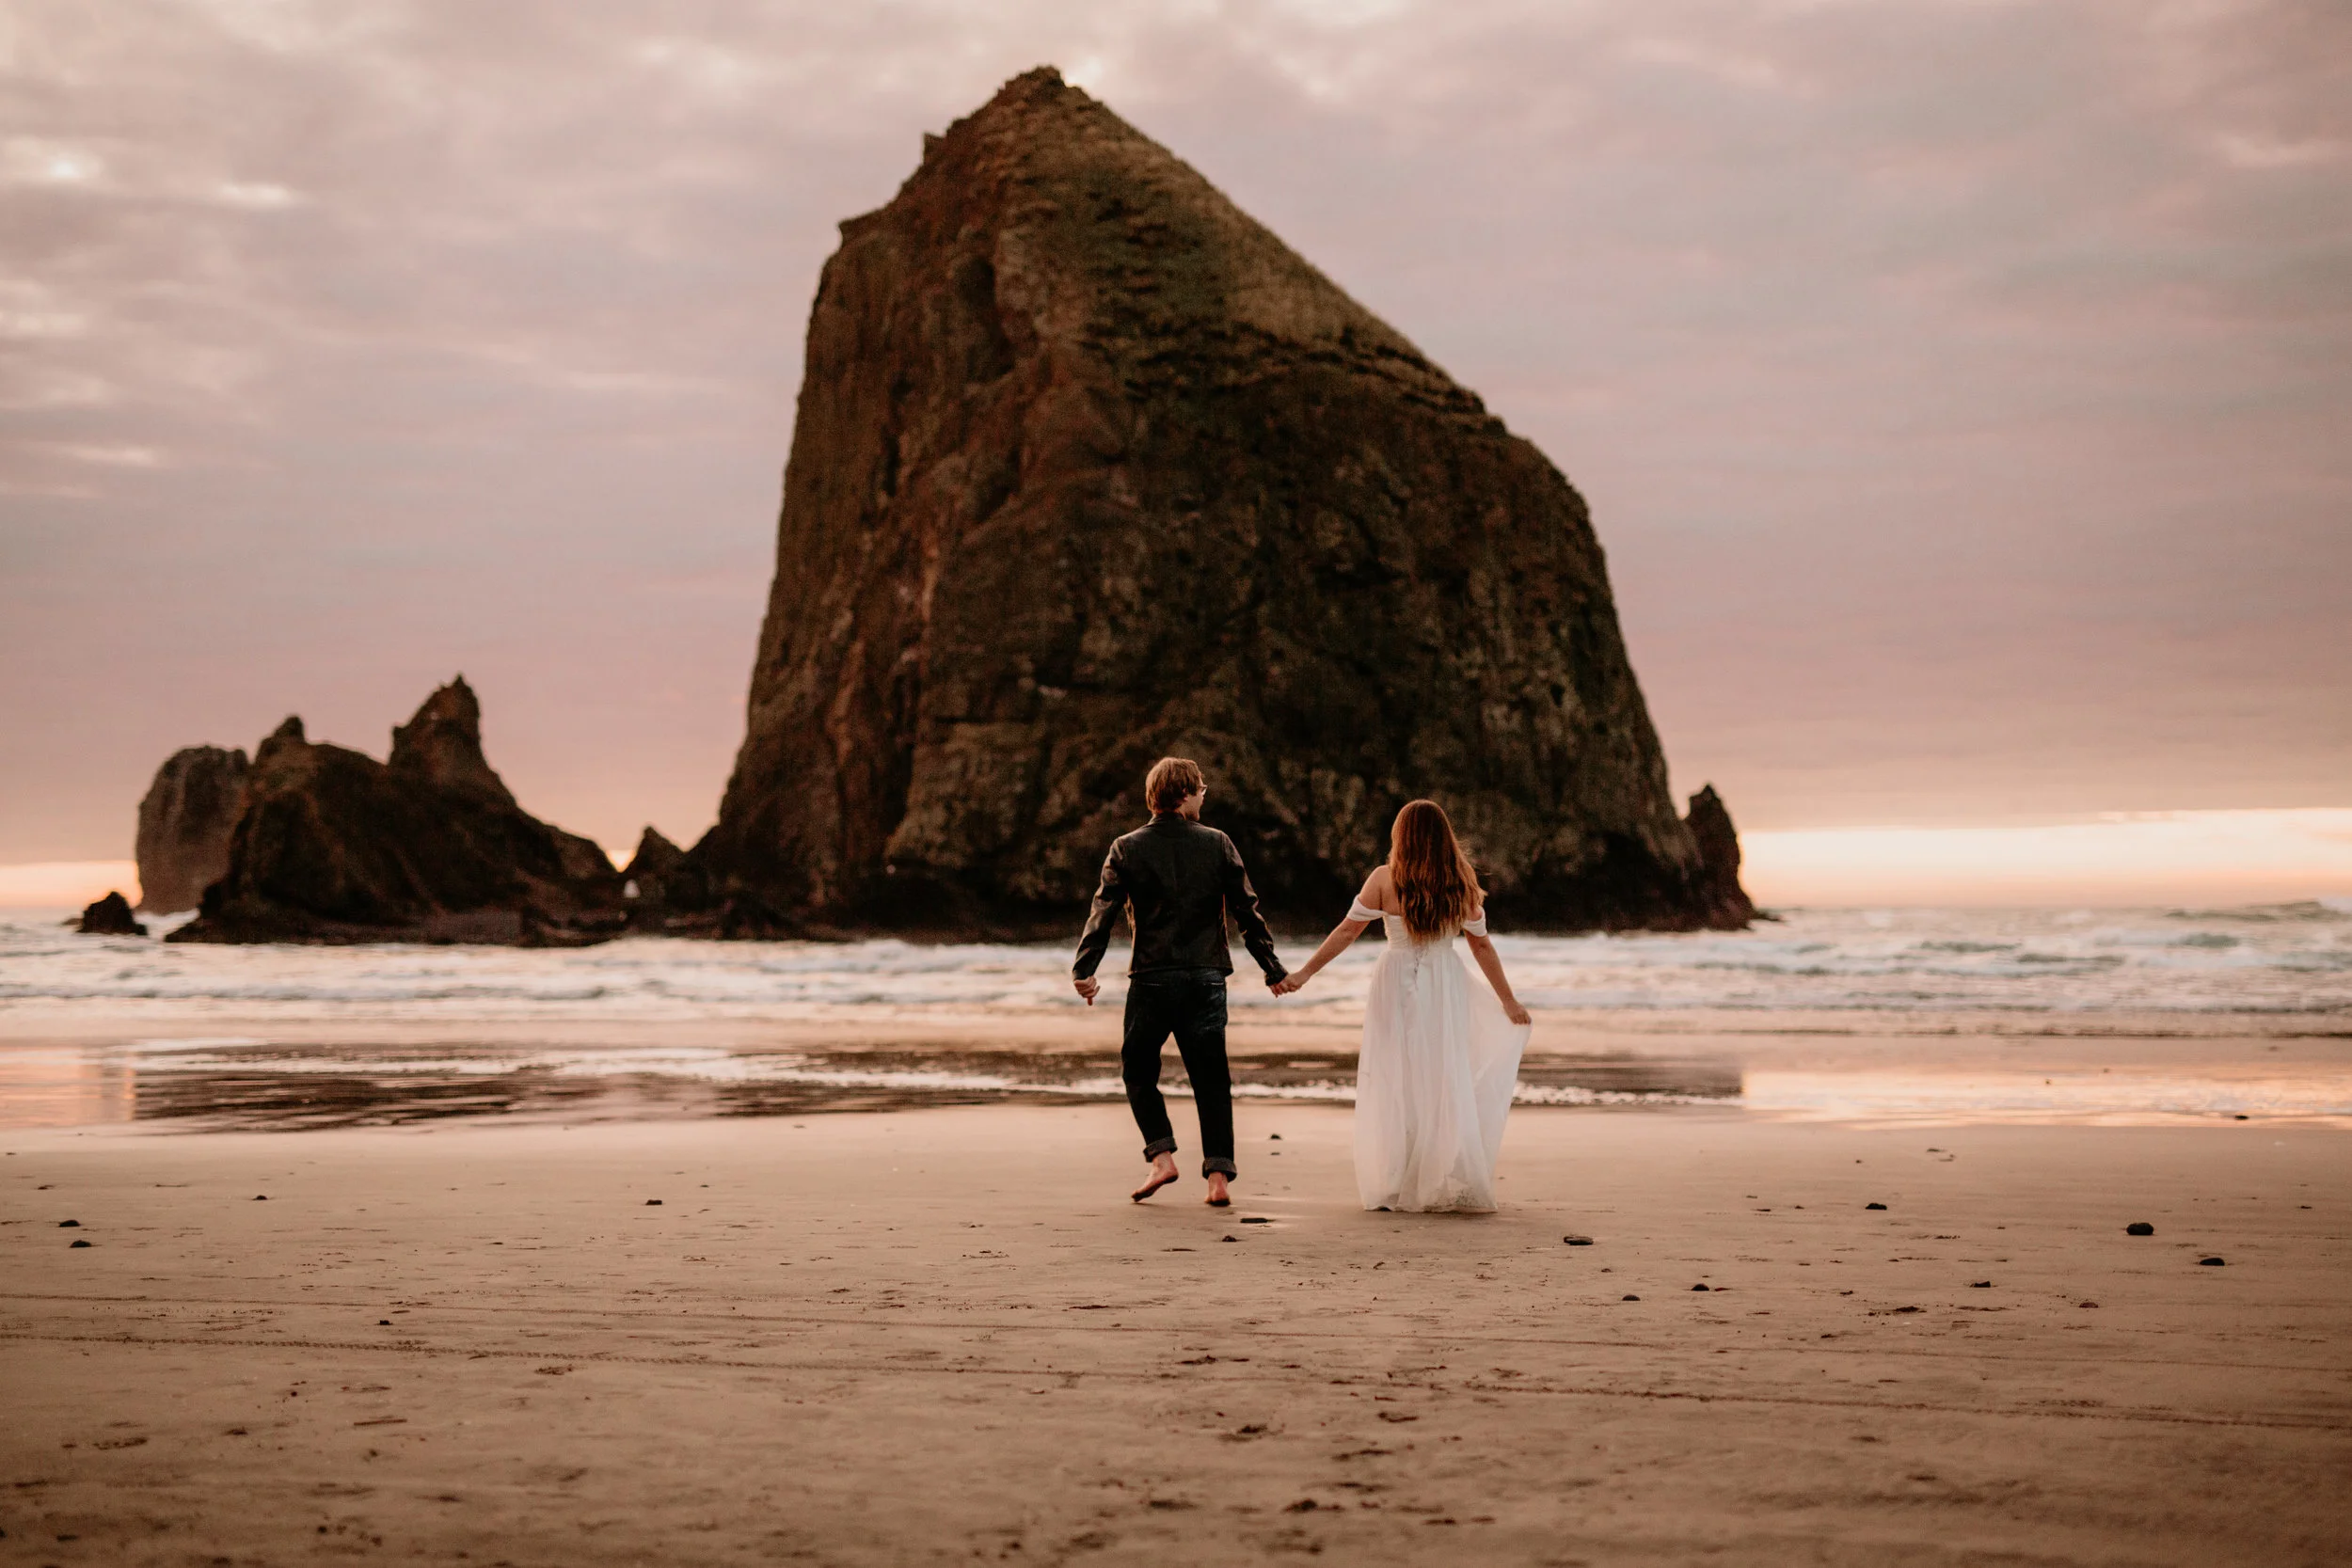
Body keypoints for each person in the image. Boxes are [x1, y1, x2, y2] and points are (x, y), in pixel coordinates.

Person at [1274, 800, 1532, 1212]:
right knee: (1442, 1075)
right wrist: (1508, 1000)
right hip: (1443, 983)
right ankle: (1435, 1171)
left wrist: (1305, 973)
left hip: (1393, 981)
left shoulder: (1383, 879)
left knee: (1396, 1076)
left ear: (1400, 835)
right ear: (1445, 837)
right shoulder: (1461, 881)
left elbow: (1347, 931)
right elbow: (1481, 945)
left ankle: (1401, 1175)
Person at [1073, 757, 1288, 1206]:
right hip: (1206, 979)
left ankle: (1162, 1156)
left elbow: (1103, 911)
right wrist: (1271, 969)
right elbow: (1248, 912)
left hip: (1152, 979)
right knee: (1211, 1078)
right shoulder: (1217, 844)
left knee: (1138, 1071)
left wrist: (1084, 969)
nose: (1204, 796)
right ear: (1184, 794)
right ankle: (1218, 1179)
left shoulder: (1126, 847)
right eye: (1201, 790)